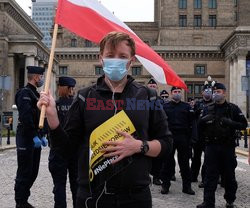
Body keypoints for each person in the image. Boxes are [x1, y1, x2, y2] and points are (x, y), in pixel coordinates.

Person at [38, 31, 173, 208]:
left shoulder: (148, 97)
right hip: (91, 196)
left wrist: (138, 146)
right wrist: (53, 118)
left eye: (122, 56)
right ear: (101, 59)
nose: (116, 60)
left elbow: (167, 144)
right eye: (110, 55)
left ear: (131, 61)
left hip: (135, 197)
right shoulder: (84, 98)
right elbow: (66, 149)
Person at [197, 83, 248, 208]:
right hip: (212, 147)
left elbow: (243, 124)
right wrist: (203, 120)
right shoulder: (207, 108)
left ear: (224, 92)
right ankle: (208, 202)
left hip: (227, 147)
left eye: (218, 91)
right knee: (210, 176)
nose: (215, 93)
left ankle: (230, 201)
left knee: (229, 175)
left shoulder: (233, 108)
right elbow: (199, 128)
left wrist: (230, 123)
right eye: (214, 91)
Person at [14, 66, 48, 208]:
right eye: (41, 77)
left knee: (33, 172)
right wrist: (34, 135)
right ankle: (20, 202)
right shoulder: (24, 93)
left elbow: (40, 116)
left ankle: (24, 199)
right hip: (26, 137)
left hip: (35, 138)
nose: (42, 79)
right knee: (24, 171)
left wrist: (43, 134)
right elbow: (26, 116)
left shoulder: (36, 94)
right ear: (35, 77)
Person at [49, 76, 78, 208]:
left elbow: (47, 126)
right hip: (75, 151)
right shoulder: (77, 105)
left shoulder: (53, 105)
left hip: (58, 151)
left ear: (61, 88)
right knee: (77, 186)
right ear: (71, 89)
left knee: (59, 186)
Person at [161, 86, 195, 195]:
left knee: (184, 163)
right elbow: (161, 123)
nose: (177, 93)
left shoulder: (186, 107)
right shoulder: (165, 107)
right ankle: (165, 185)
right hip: (169, 137)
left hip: (183, 137)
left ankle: (187, 187)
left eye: (178, 92)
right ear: (171, 93)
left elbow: (192, 124)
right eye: (175, 91)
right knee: (167, 162)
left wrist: (192, 139)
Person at [191, 82, 213, 186]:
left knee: (208, 159)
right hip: (198, 135)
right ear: (202, 92)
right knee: (196, 157)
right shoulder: (198, 104)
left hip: (209, 135)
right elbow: (192, 117)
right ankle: (193, 176)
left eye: (210, 90)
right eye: (206, 90)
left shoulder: (214, 104)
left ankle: (205, 179)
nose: (208, 92)